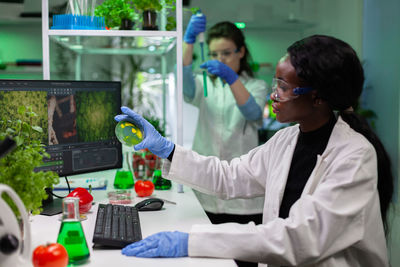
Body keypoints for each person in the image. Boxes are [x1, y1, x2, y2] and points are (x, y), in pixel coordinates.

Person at [115, 35, 394, 267]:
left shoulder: (355, 156)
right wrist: (167, 149)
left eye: (283, 87)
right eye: (275, 84)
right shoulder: (286, 140)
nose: (274, 95)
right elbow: (228, 177)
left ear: (318, 97)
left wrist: (192, 241)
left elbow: (300, 238)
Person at [182, 15, 268, 227]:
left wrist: (231, 78)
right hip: (206, 193)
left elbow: (253, 114)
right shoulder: (204, 85)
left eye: (227, 53)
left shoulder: (256, 85)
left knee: (245, 255)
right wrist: (189, 41)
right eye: (214, 54)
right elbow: (183, 79)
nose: (220, 59)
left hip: (244, 197)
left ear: (241, 51)